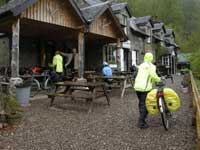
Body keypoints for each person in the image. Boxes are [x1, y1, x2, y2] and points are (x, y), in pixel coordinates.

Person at [134, 52, 161, 129]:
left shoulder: (141, 65)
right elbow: (153, 75)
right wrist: (159, 80)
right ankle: (141, 122)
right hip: (145, 88)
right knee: (145, 104)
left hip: (137, 87)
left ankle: (142, 118)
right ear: (151, 58)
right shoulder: (151, 66)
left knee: (141, 103)